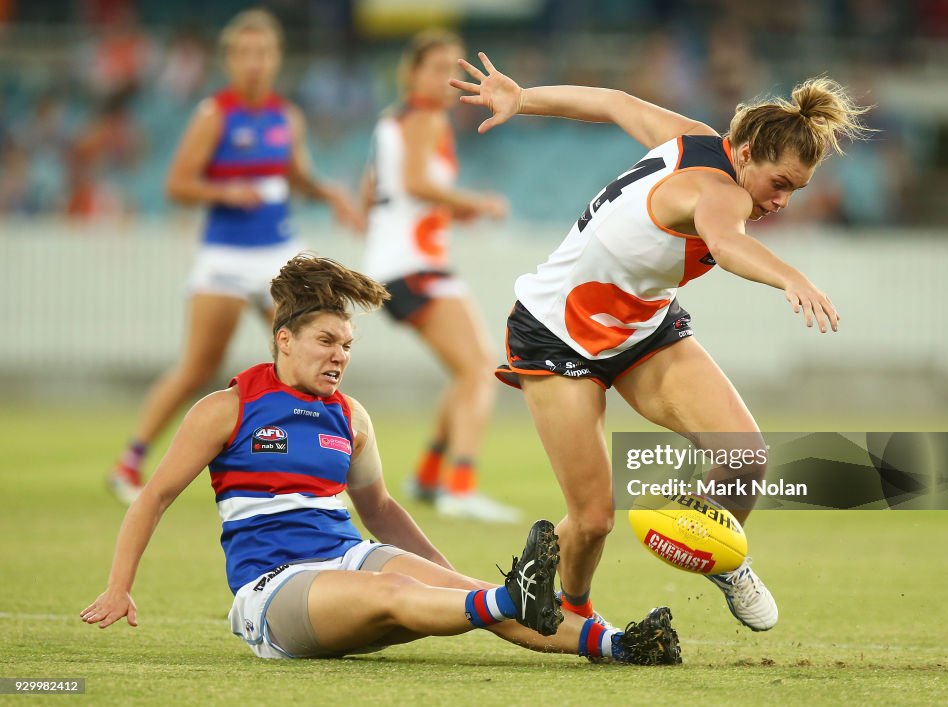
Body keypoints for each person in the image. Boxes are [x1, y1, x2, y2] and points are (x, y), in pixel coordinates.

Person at [81, 254, 681, 666]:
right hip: (275, 588)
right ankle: (506, 599)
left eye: (346, 345)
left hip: (350, 555)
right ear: (283, 339)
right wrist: (118, 588)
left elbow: (381, 509)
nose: (339, 355)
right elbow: (154, 497)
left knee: (455, 592)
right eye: (325, 341)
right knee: (402, 589)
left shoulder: (350, 416)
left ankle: (620, 646)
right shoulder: (227, 407)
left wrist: (451, 579)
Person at [451, 53, 869, 631]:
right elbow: (725, 244)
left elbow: (613, 103)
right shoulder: (722, 192)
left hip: (641, 328)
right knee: (593, 520)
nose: (780, 202)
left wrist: (524, 100)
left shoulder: (695, 137)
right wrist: (791, 277)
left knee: (744, 456)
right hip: (556, 334)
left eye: (795, 190)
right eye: (779, 184)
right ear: (746, 153)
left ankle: (722, 558)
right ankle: (575, 612)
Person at [108, 9, 362, 503]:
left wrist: (330, 194)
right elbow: (177, 184)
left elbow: (296, 175)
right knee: (199, 366)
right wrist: (227, 193)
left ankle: (327, 466)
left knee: (313, 352)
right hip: (225, 257)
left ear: (276, 59)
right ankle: (130, 461)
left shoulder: (286, 116)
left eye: (263, 53)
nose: (254, 63)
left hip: (280, 258)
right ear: (230, 59)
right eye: (244, 54)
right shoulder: (215, 114)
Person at [359, 30, 519, 523]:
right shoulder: (426, 118)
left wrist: (446, 214)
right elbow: (416, 184)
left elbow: (375, 195)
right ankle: (460, 485)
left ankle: (429, 476)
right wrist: (479, 203)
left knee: (466, 369)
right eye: (433, 68)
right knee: (479, 368)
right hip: (415, 266)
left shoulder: (392, 122)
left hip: (397, 263)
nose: (445, 80)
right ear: (410, 73)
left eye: (450, 69)